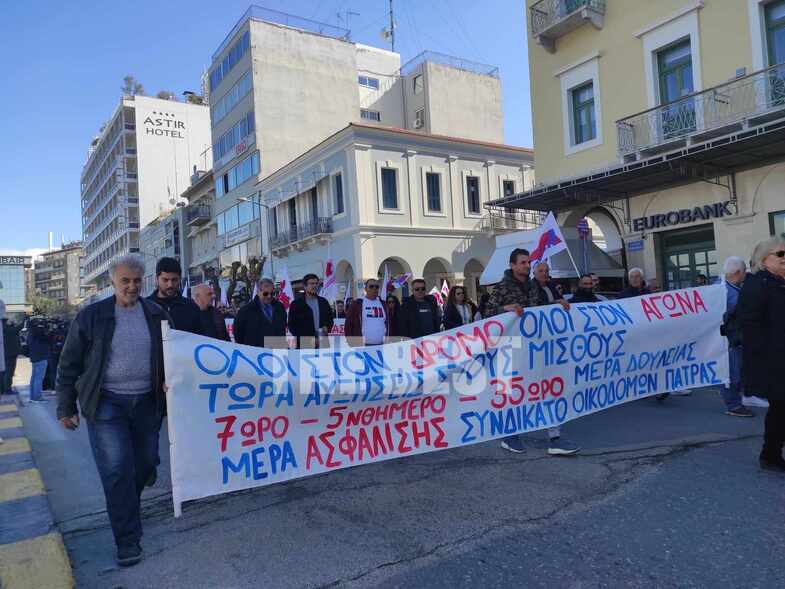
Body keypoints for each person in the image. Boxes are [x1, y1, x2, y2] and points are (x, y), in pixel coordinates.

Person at [56, 254, 169, 566]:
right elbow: (69, 364)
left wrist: (172, 383)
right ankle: (128, 540)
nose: (132, 287)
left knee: (145, 464)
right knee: (117, 470)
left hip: (147, 403)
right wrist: (65, 406)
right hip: (106, 403)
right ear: (112, 282)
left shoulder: (157, 313)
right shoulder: (91, 317)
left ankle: (126, 506)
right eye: (125, 281)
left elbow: (172, 357)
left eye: (136, 281)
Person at [485, 248, 578, 456]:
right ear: (513, 265)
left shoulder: (533, 287)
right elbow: (487, 313)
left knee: (546, 388)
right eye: (523, 263)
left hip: (534, 348)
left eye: (529, 263)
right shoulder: (501, 288)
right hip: (509, 349)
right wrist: (504, 310)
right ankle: (510, 435)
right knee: (512, 392)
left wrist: (555, 305)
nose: (527, 266)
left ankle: (555, 437)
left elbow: (538, 310)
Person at [737, 237, 785, 472]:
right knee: (780, 408)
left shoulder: (780, 282)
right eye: (781, 254)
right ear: (764, 259)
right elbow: (750, 326)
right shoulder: (757, 285)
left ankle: (772, 453)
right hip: (774, 359)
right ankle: (771, 454)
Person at [719, 257, 754, 417]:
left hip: (737, 336)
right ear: (738, 272)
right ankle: (733, 405)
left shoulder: (725, 288)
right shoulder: (726, 292)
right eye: (744, 271)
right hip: (731, 338)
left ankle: (741, 398)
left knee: (739, 369)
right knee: (733, 372)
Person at [147, 257, 202, 334]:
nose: (170, 285)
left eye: (174, 280)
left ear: (180, 279)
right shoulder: (146, 306)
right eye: (165, 280)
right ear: (157, 279)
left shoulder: (191, 307)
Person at [234, 278, 287, 348]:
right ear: (258, 291)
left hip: (277, 351)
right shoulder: (245, 311)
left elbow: (282, 329)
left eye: (272, 293)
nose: (269, 296)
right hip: (256, 353)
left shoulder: (279, 307)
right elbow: (238, 334)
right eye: (266, 293)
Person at [287, 273, 334, 349]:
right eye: (311, 283)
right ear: (305, 286)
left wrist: (326, 329)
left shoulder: (323, 302)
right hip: (304, 343)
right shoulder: (296, 304)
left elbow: (330, 320)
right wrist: (306, 339)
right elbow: (292, 325)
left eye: (316, 283)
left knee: (323, 361)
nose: (315, 286)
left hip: (322, 341)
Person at [345, 278, 388, 346]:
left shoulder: (384, 304)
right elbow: (348, 324)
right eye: (371, 286)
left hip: (382, 345)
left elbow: (388, 323)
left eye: (377, 287)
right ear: (365, 289)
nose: (374, 288)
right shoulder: (357, 304)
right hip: (363, 346)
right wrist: (350, 342)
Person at [27, 317, 50, 404]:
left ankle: (33, 397)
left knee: (34, 378)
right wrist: (47, 327)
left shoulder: (30, 332)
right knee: (39, 378)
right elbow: (47, 339)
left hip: (34, 357)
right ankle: (37, 397)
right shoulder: (38, 332)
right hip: (41, 356)